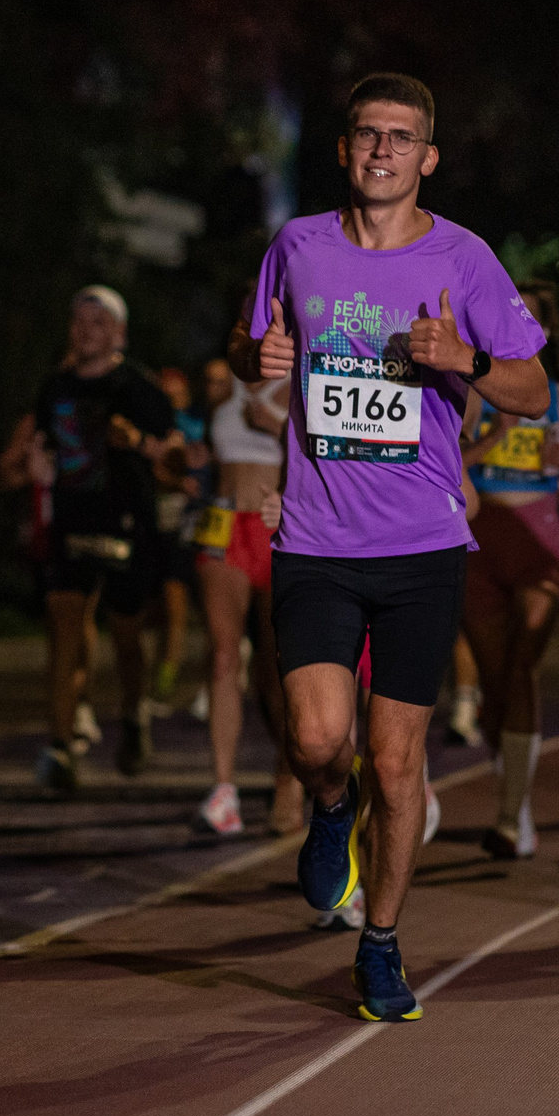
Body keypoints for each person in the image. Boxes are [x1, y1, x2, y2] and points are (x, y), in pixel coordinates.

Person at [235, 71, 550, 1022]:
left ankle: (380, 942)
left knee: (399, 756)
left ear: (428, 157)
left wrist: (468, 361)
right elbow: (262, 369)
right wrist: (262, 367)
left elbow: (534, 388)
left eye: (401, 137)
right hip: (319, 538)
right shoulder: (297, 246)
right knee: (319, 739)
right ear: (344, 149)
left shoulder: (463, 257)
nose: (382, 151)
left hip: (420, 545)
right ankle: (332, 810)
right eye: (367, 134)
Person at [0, 285, 177, 791]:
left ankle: (134, 713)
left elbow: (174, 464)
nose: (86, 331)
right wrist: (35, 465)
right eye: (79, 322)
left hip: (126, 523)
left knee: (125, 635)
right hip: (71, 520)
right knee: (64, 632)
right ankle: (60, 746)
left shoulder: (142, 390)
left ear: (119, 332)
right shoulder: (54, 387)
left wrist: (140, 444)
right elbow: (41, 446)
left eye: (98, 322)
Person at [460, 278, 559, 858]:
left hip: (540, 538)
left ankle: (514, 815)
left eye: (529, 317)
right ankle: (513, 784)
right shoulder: (474, 389)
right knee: (494, 679)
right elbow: (447, 461)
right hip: (481, 540)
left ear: (545, 331)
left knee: (522, 666)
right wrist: (495, 439)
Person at [190, 357, 309, 847]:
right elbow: (208, 450)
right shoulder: (225, 384)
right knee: (222, 656)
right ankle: (223, 791)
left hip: (277, 528)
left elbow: (327, 450)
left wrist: (276, 424)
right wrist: (190, 457)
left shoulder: (302, 378)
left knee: (279, 669)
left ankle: (290, 778)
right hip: (223, 524)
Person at [149, 364, 203, 708]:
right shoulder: (154, 425)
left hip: (196, 519)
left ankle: (167, 676)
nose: (170, 398)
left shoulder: (198, 423)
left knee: (178, 601)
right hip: (161, 520)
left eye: (175, 391)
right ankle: (164, 672)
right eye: (164, 392)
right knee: (161, 607)